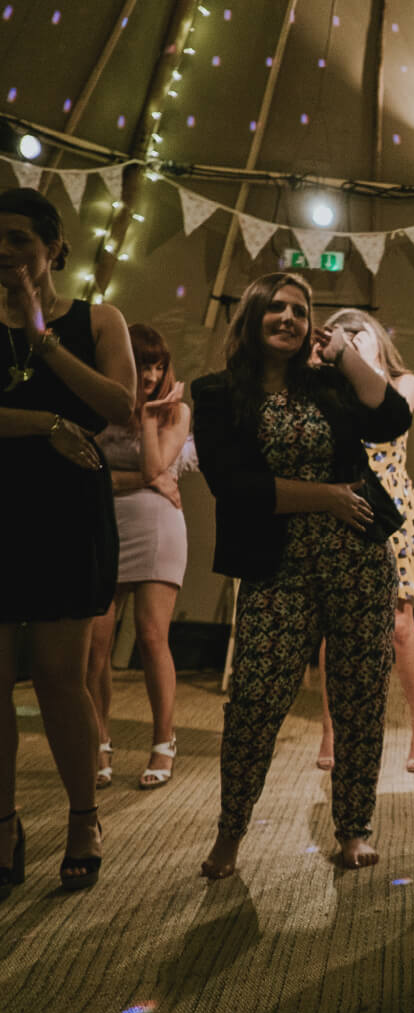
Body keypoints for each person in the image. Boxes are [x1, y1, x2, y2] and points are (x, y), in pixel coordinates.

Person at [191, 271, 411, 877]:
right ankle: (230, 833)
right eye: (277, 308)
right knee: (255, 700)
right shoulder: (213, 393)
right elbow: (234, 488)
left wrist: (342, 352)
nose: (289, 318)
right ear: (254, 316)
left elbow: (392, 418)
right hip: (275, 566)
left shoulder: (328, 386)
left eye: (300, 310)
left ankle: (353, 829)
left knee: (360, 697)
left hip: (357, 562)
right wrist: (327, 497)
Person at [0, 187, 136, 896]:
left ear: (54, 247)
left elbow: (118, 407)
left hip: (66, 514)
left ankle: (84, 819)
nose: (5, 253)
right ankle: (3, 827)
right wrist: (44, 426)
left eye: (19, 239)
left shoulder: (98, 319)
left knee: (60, 676)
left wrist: (39, 336)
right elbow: (66, 420)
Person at [312, 308, 414, 774]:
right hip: (345, 500)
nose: (351, 345)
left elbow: (394, 417)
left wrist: (364, 361)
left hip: (394, 509)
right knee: (334, 627)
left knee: (401, 626)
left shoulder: (404, 382)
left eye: (359, 337)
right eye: (344, 340)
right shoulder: (330, 389)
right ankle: (329, 728)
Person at [88, 324, 189, 790]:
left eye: (157, 366)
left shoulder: (175, 412)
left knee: (152, 638)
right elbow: (89, 477)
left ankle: (163, 742)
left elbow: (156, 468)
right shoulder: (98, 407)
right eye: (142, 364)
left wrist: (149, 418)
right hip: (100, 525)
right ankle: (98, 742)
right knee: (95, 646)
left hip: (156, 526)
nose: (150, 374)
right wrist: (141, 479)